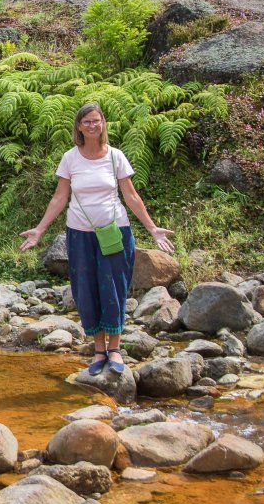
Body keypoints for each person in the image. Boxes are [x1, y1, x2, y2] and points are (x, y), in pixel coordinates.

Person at [18, 103, 175, 375]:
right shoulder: (70, 158)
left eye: (96, 120)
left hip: (115, 232)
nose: (92, 125)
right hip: (79, 234)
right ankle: (98, 350)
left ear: (103, 124)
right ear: (79, 127)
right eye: (86, 122)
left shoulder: (115, 157)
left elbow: (131, 196)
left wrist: (152, 228)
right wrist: (40, 229)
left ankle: (115, 350)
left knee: (113, 287)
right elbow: (59, 197)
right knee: (86, 289)